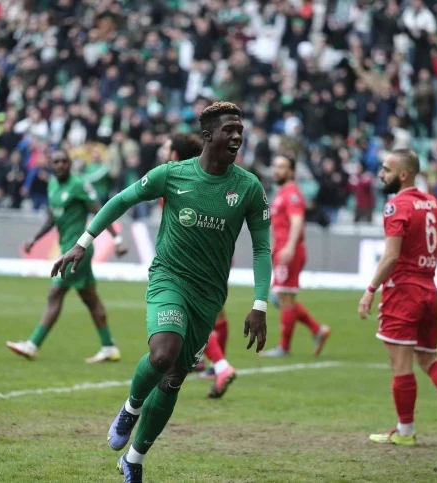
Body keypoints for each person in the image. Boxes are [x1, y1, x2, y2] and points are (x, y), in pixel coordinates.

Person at [52, 102, 272, 482]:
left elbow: (262, 248)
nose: (237, 136)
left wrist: (259, 304)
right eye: (229, 129)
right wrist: (83, 243)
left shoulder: (249, 187)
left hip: (209, 295)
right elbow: (122, 200)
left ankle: (133, 459)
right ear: (208, 136)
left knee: (173, 380)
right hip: (169, 278)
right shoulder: (172, 174)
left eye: (240, 129)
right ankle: (131, 408)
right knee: (163, 354)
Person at [358, 149, 437, 447]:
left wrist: (370, 290)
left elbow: (391, 256)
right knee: (428, 359)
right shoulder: (432, 202)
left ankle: (405, 431)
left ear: (403, 174)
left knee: (401, 365)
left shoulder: (396, 206)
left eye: (386, 170)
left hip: (403, 292)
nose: (381, 175)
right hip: (428, 290)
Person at [6, 149, 128, 362]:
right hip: (67, 249)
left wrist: (117, 240)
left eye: (64, 161)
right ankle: (108, 346)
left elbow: (100, 212)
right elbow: (52, 217)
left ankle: (33, 345)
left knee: (56, 293)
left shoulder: (79, 184)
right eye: (56, 162)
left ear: (70, 164)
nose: (60, 165)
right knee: (91, 299)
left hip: (78, 251)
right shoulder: (52, 185)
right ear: (50, 166)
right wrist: (34, 239)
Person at [159, 133, 236, 398]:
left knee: (190, 318)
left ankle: (221, 366)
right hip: (216, 256)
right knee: (216, 314)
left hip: (189, 260)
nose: (163, 151)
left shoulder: (175, 180)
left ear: (174, 155)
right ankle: (207, 362)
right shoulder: (210, 176)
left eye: (166, 148)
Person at [261, 156, 331, 358]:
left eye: (281, 167)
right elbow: (279, 225)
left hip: (288, 250)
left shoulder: (292, 194)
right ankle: (317, 330)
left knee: (284, 297)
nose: (276, 170)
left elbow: (297, 221)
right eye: (275, 166)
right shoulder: (281, 193)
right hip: (281, 249)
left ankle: (284, 347)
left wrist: (290, 247)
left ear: (291, 171)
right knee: (281, 298)